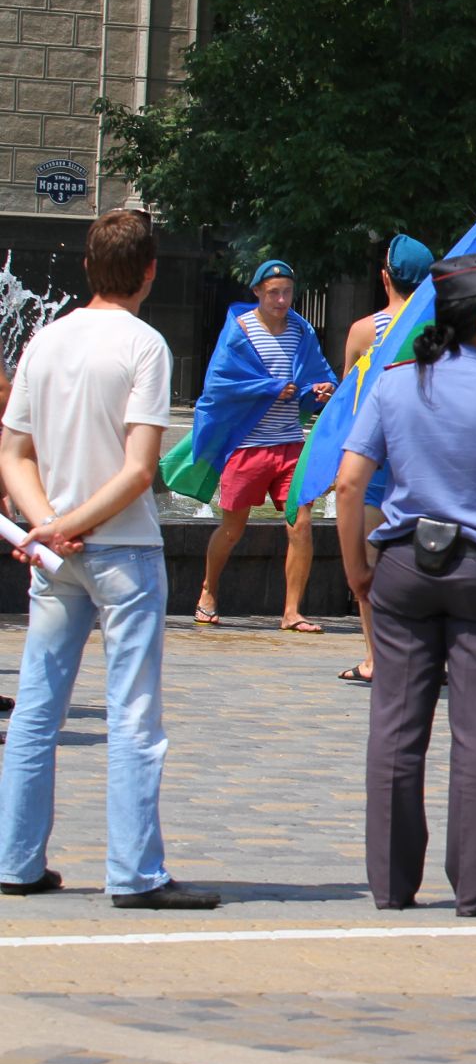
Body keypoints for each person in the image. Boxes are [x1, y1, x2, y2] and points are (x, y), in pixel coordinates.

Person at [335, 252, 476, 917]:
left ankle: (389, 883)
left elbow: (350, 484)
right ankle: (474, 887)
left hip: (405, 567)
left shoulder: (395, 382)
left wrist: (356, 566)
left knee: (395, 726)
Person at [0, 209, 219, 909]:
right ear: (150, 271)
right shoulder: (145, 346)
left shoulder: (44, 340)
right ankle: (135, 872)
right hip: (121, 547)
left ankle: (15, 858)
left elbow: (13, 454)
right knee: (133, 711)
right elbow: (137, 470)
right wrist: (71, 525)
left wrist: (45, 526)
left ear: (88, 267)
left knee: (37, 708)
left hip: (56, 557)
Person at [191, 259, 338, 632]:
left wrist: (320, 390)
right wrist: (270, 387)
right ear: (257, 292)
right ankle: (208, 591)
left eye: (287, 291)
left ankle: (292, 612)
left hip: (290, 443)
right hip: (247, 445)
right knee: (232, 529)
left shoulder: (301, 331)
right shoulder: (240, 330)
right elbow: (219, 385)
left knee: (300, 524)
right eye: (274, 292)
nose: (282, 299)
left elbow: (320, 375)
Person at [336, 233, 435, 685]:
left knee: (373, 565)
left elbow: (348, 405)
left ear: (384, 277)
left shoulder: (364, 331)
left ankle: (378, 658)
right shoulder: (438, 329)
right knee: (430, 563)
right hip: (427, 463)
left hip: (377, 463)